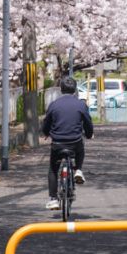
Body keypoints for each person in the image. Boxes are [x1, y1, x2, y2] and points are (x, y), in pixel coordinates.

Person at [42, 75, 94, 210]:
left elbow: (46, 124)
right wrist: (88, 134)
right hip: (75, 142)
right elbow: (88, 123)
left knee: (53, 169)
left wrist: (46, 133)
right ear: (75, 89)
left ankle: (53, 199)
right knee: (80, 149)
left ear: (61, 89)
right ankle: (78, 170)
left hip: (58, 144)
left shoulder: (54, 105)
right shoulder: (81, 105)